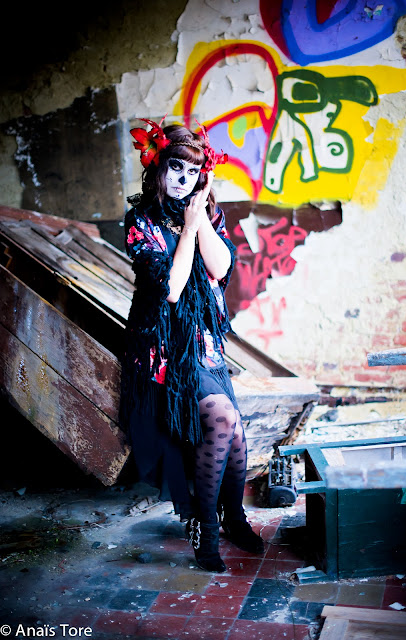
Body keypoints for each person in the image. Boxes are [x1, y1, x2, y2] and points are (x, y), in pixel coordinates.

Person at [119, 117, 264, 572]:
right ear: (158, 168)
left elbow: (219, 268)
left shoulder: (206, 212)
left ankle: (233, 518)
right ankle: (205, 525)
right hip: (164, 348)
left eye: (193, 170)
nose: (183, 179)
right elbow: (172, 288)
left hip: (204, 346)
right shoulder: (141, 220)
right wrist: (186, 228)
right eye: (176, 168)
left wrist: (199, 219)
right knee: (223, 419)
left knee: (234, 432)